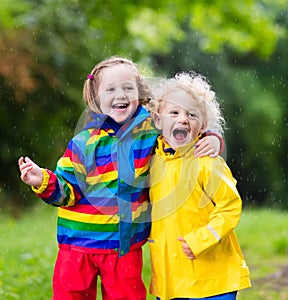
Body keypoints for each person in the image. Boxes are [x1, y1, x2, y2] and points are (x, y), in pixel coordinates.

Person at [18, 56, 223, 300]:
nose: (121, 95)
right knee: (70, 295)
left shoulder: (151, 131)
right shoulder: (82, 144)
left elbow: (183, 127)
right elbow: (66, 192)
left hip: (124, 247)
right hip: (77, 246)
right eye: (110, 89)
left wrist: (210, 137)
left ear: (139, 92)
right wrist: (41, 180)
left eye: (128, 88)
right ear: (95, 97)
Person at [148, 72, 251, 300]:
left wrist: (202, 239)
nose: (183, 119)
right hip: (171, 280)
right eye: (174, 112)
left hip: (213, 279)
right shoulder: (150, 162)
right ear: (157, 120)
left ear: (203, 125)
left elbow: (229, 206)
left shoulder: (207, 162)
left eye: (191, 115)